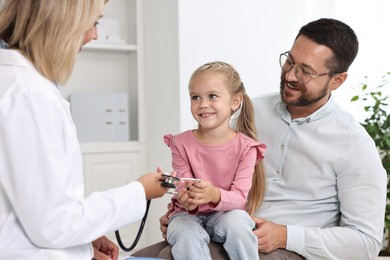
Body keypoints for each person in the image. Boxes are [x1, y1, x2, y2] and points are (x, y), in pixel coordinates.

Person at [150, 18, 387, 260]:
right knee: (140, 257)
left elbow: (366, 242)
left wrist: (285, 235)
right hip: (226, 227)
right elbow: (213, 172)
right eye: (290, 61)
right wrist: (184, 209)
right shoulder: (253, 110)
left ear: (337, 80)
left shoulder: (354, 144)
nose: (291, 76)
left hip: (286, 250)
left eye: (305, 71)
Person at [0, 1, 171, 259]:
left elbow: (34, 208)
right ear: (63, 21)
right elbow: (55, 223)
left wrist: (82, 243)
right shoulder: (29, 94)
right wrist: (140, 190)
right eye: (94, 22)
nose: (95, 34)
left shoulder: (20, 83)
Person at [163, 61, 267, 260]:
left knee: (239, 222)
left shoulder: (246, 148)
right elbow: (182, 187)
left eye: (212, 96)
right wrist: (185, 198)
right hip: (187, 215)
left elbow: (239, 198)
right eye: (195, 97)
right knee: (185, 232)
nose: (203, 104)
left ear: (235, 102)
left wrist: (213, 194)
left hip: (226, 214)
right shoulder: (180, 143)